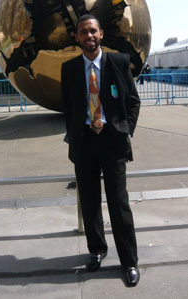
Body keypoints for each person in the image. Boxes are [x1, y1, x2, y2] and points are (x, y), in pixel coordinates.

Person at [61, 14, 140, 287]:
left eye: (93, 30)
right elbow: (68, 107)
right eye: (84, 32)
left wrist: (125, 130)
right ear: (77, 37)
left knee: (119, 204)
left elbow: (132, 100)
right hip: (84, 143)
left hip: (112, 141)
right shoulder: (69, 68)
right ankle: (97, 250)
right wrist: (73, 135)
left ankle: (128, 261)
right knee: (90, 201)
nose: (89, 36)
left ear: (101, 33)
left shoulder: (117, 62)